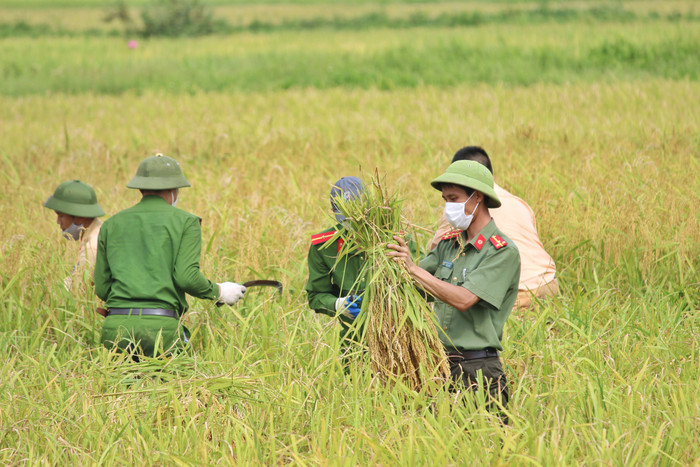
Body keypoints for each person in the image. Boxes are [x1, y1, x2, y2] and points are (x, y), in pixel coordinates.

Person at [388, 160, 520, 412]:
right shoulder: (448, 245)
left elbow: (464, 299)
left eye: (454, 198)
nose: (448, 207)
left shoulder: (501, 251)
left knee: (485, 447)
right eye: (445, 199)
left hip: (479, 371)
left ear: (477, 197)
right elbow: (411, 287)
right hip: (440, 368)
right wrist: (389, 257)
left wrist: (412, 268)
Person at [94, 154, 246, 358]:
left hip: (115, 329)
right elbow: (186, 277)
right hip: (162, 331)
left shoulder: (111, 224)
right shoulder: (186, 222)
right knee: (181, 387)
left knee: (120, 387)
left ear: (140, 189)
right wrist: (219, 291)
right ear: (175, 190)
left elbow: (103, 289)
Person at [430, 146, 558, 309]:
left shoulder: (461, 206)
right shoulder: (518, 202)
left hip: (517, 294)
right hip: (548, 284)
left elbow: (437, 260)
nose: (449, 204)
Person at [305, 176, 366, 349]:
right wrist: (338, 304)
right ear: (333, 210)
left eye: (358, 214)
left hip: (398, 339)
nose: (354, 222)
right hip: (354, 343)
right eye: (346, 218)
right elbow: (316, 296)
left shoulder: (394, 237)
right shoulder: (324, 246)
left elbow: (427, 284)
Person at [44, 179, 105, 291]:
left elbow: (77, 289)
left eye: (61, 216)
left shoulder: (93, 247)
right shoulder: (98, 232)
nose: (58, 222)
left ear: (80, 216)